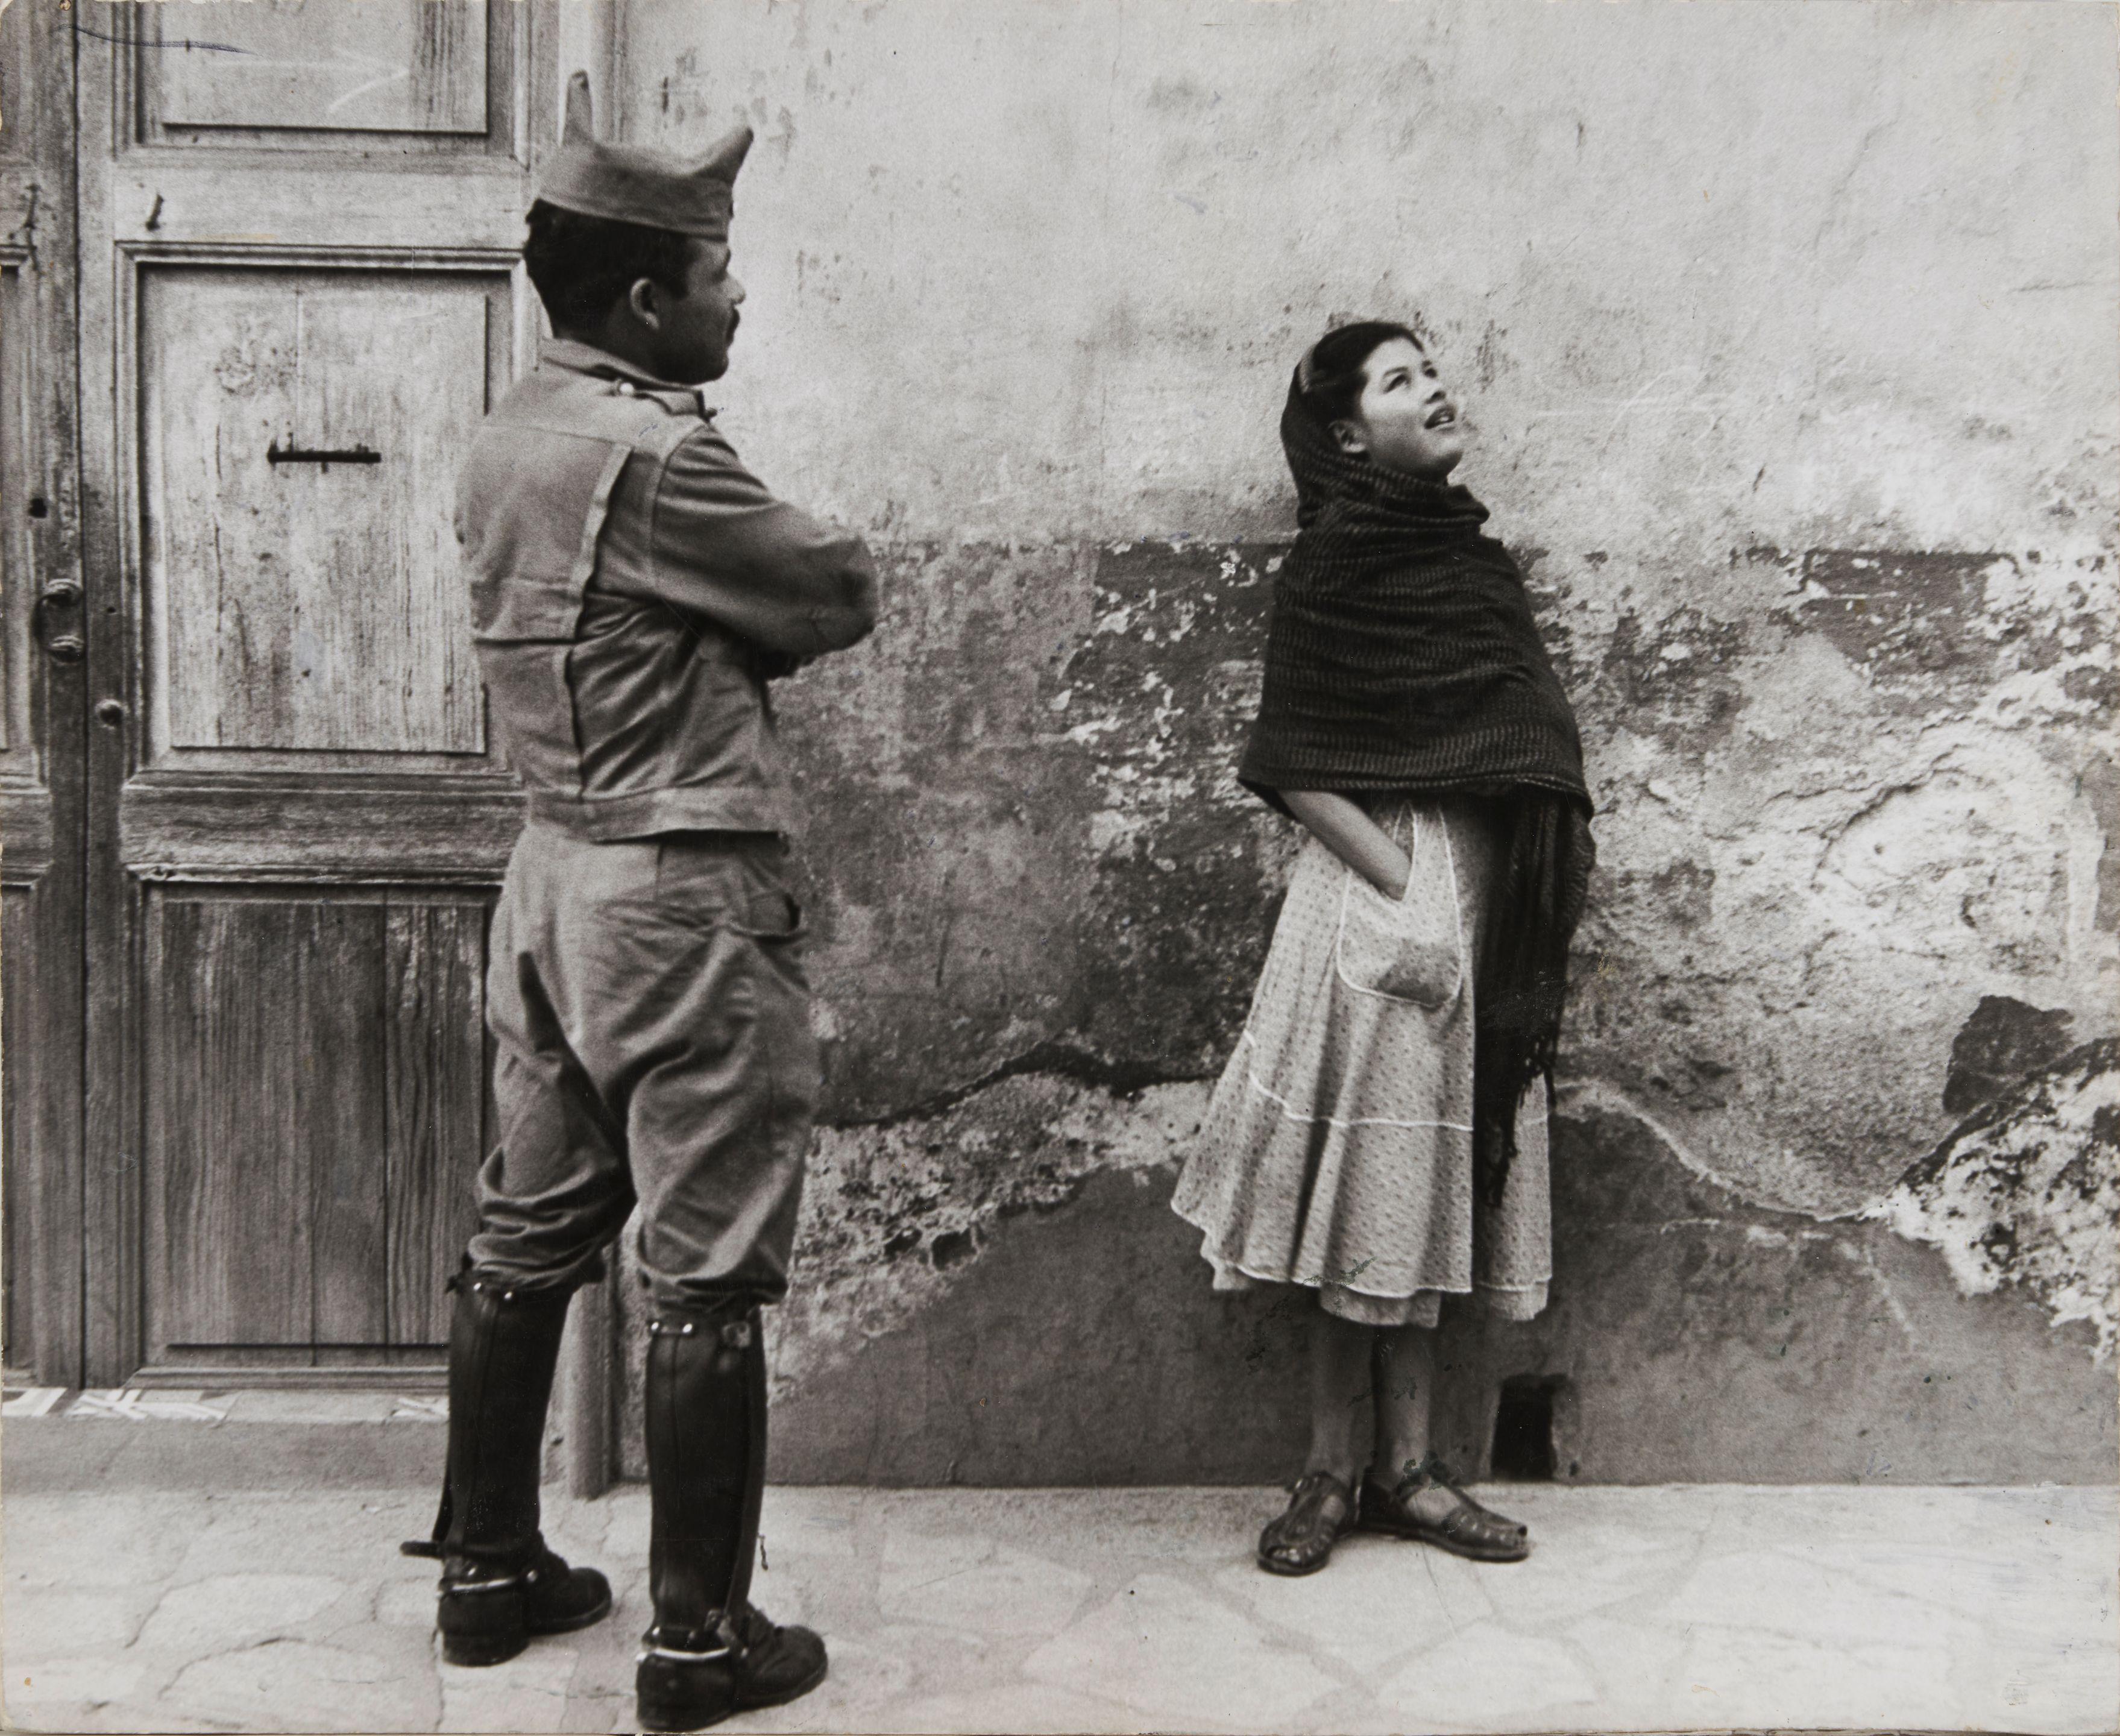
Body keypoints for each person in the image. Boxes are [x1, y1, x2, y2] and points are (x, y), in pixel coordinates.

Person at [402, 75, 878, 1732]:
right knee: (704, 1268)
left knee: (524, 1231)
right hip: (677, 893)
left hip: (546, 881)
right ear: (642, 298)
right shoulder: (657, 460)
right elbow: (835, 588)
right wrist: (739, 630)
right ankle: (695, 1645)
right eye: (716, 272)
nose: (734, 296)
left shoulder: (505, 436)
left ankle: (484, 1577)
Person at [1172, 319, 1594, 1577]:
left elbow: (1522, 737)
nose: (1436, 387)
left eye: (1433, 368)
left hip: (1472, 889)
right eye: (1401, 379)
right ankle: (1325, 1471)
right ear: (1349, 431)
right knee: (1358, 1189)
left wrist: (1495, 882)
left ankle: (1408, 1475)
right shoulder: (1333, 571)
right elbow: (1293, 765)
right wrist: (1405, 881)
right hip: (1377, 890)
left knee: (1427, 1188)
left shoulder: (1473, 567)